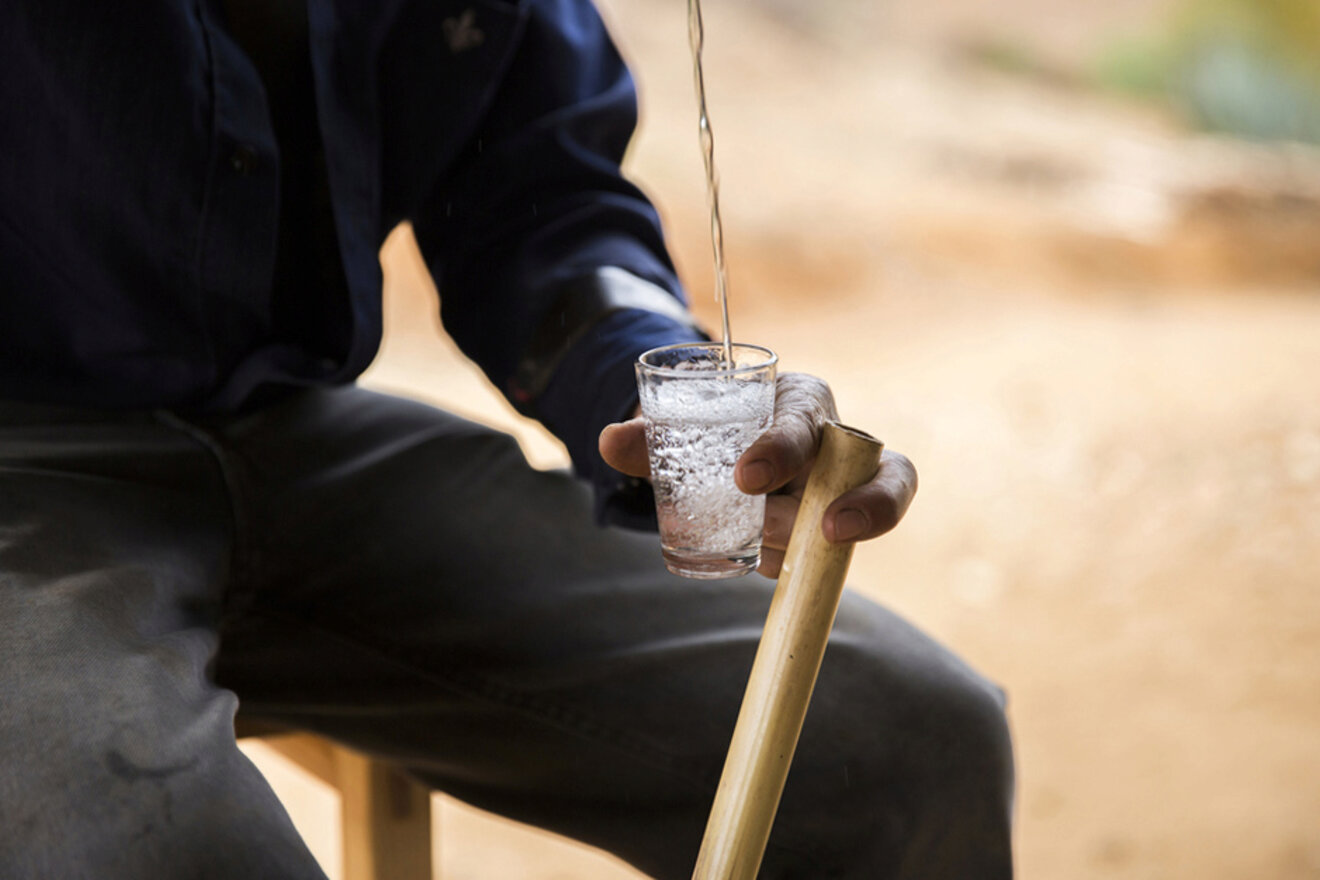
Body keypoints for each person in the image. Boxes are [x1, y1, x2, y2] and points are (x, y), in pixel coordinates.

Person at [0, 0, 1014, 877]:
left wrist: (664, 393)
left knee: (910, 744)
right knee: (159, 848)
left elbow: (541, 200)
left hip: (291, 434)